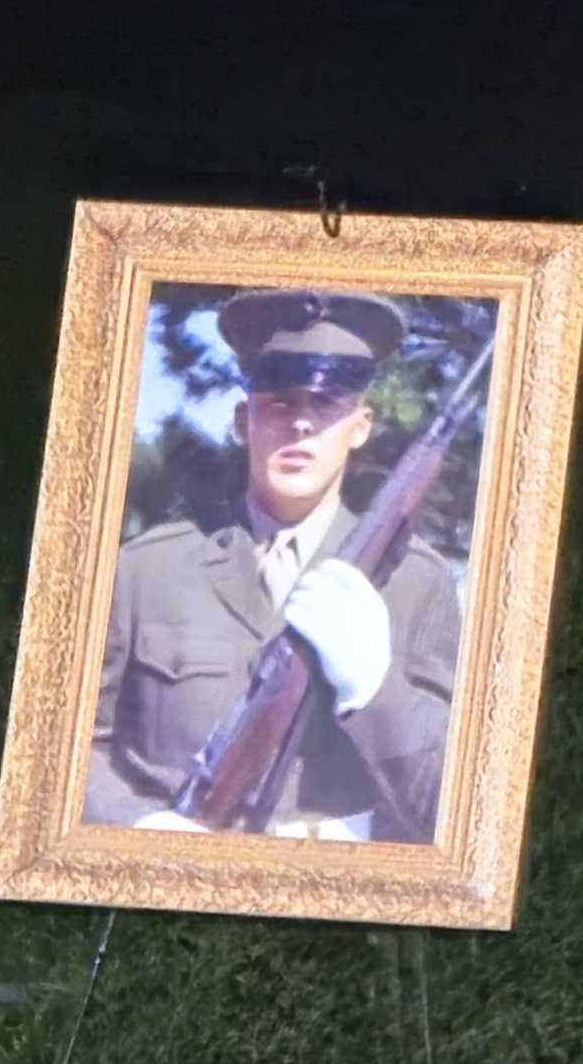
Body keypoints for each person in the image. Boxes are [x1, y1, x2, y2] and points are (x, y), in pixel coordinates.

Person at [88, 290, 470, 838]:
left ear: (361, 426)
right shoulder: (146, 570)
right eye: (280, 402)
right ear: (243, 420)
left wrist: (373, 689)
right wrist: (141, 825)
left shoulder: (416, 582)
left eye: (327, 403)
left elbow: (450, 802)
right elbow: (69, 750)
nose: (300, 425)